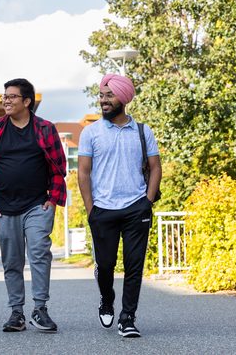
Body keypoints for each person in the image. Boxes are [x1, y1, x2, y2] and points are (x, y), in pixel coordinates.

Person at [0, 78, 66, 333]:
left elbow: (58, 168)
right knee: (12, 261)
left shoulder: (45, 129)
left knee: (39, 253)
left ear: (27, 101)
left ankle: (40, 309)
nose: (6, 100)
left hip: (38, 205)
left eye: (12, 96)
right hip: (4, 208)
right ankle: (17, 313)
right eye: (5, 96)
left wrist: (52, 200)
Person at [77, 74, 162, 338]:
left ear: (123, 98)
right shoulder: (91, 132)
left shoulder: (142, 131)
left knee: (134, 265)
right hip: (102, 210)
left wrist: (147, 201)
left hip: (136, 208)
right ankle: (106, 299)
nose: (103, 100)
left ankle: (127, 318)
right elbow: (83, 172)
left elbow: (156, 167)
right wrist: (91, 209)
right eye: (101, 95)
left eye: (109, 95)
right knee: (105, 265)